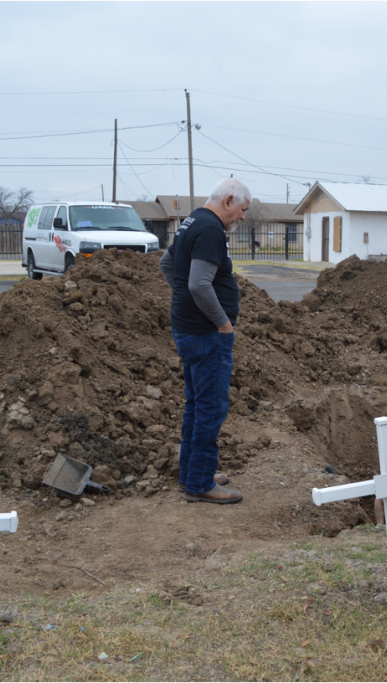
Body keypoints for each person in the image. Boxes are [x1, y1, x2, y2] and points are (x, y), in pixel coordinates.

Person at [159, 178, 251, 504]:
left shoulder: (192, 221)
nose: (242, 217)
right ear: (229, 201)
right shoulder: (211, 229)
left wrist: (182, 296)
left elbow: (166, 264)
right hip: (206, 333)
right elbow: (199, 284)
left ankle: (192, 474)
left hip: (189, 328)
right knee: (211, 409)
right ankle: (200, 484)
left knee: (197, 406)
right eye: (242, 210)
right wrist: (223, 324)